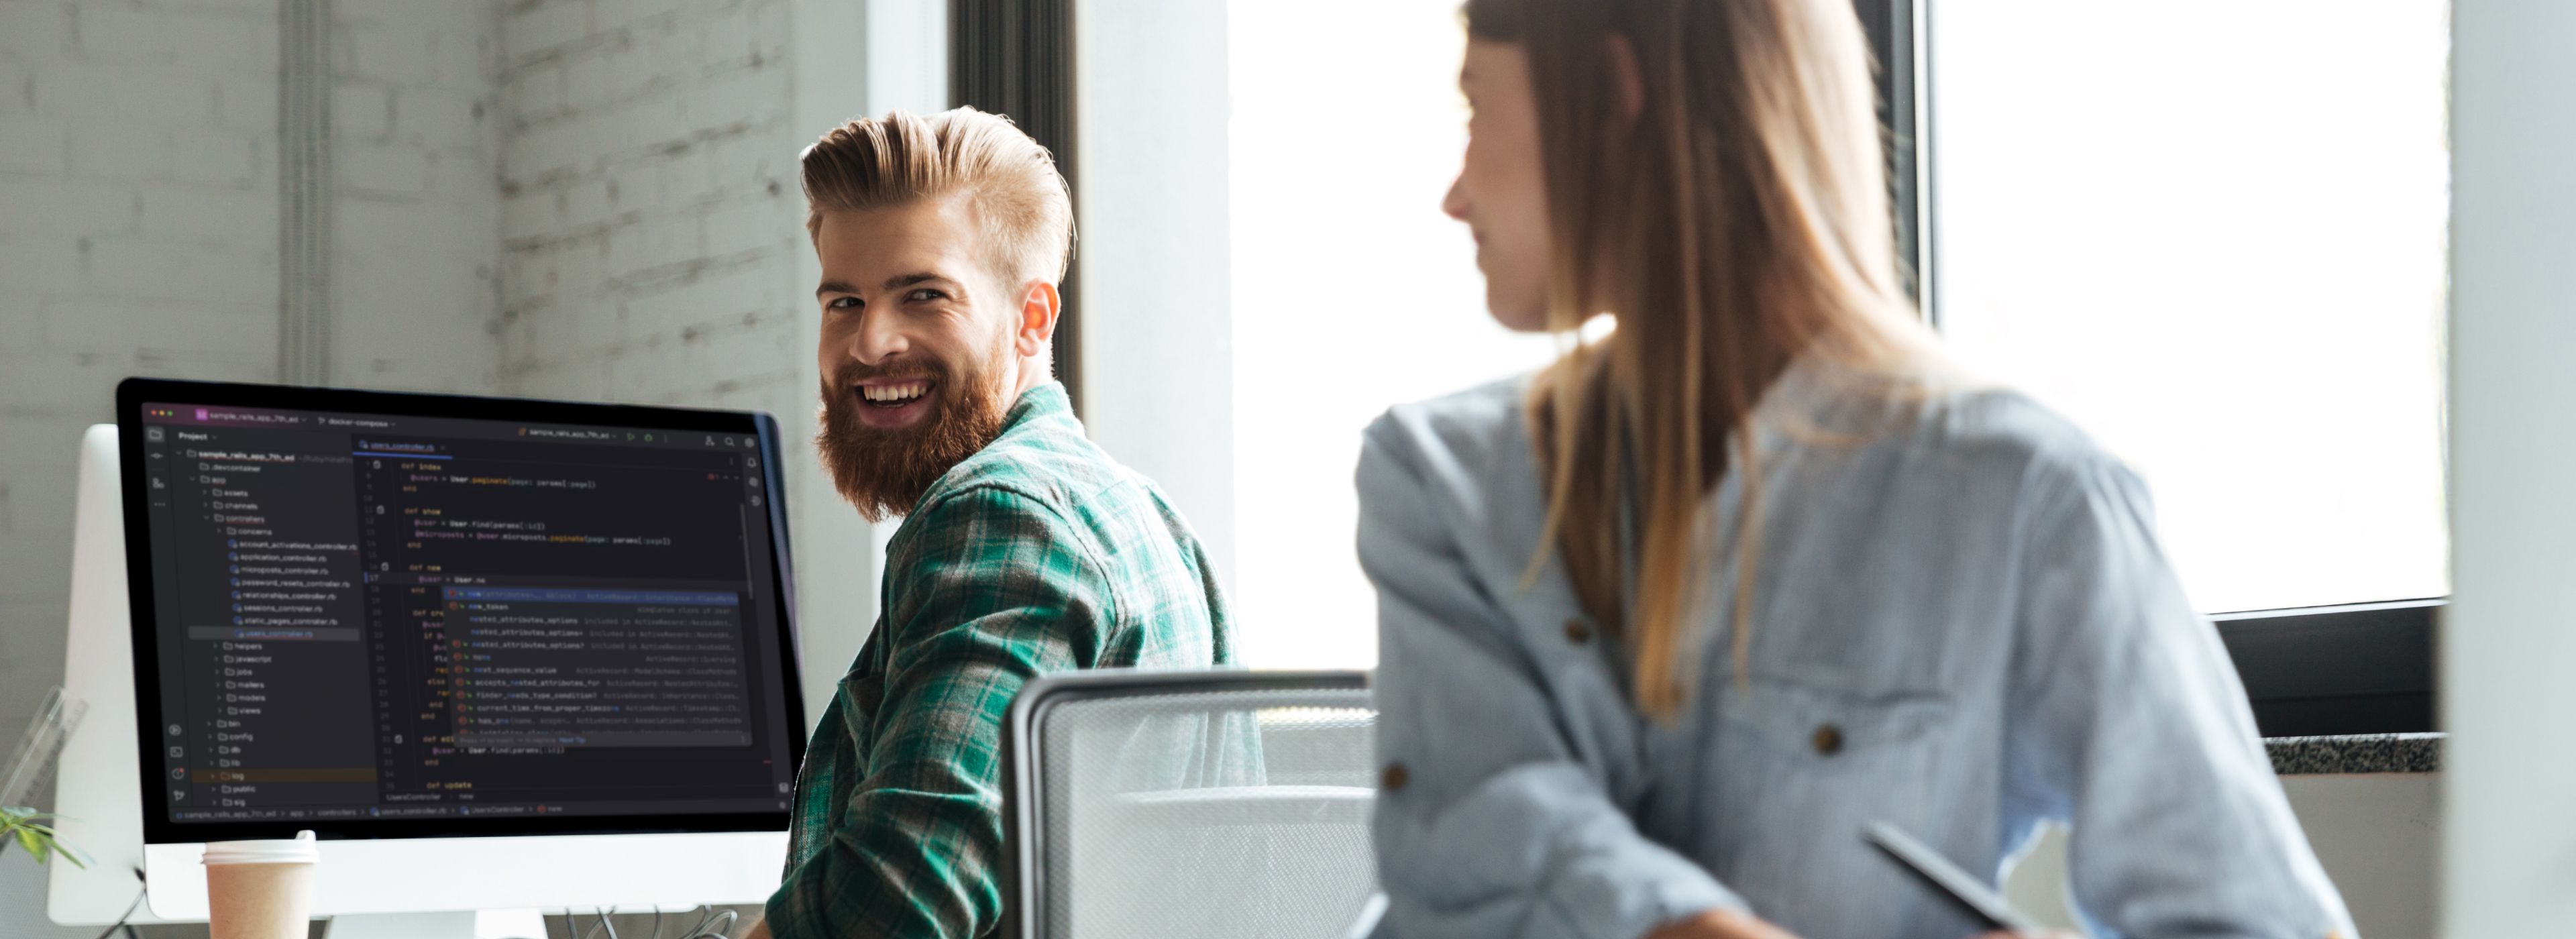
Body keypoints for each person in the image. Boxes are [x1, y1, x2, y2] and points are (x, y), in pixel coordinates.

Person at [1356, 1, 2356, 938]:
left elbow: (2254, 915)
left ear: (1616, 94)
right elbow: (1493, 837)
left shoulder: (2029, 498)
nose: (1453, 193)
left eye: (1474, 104)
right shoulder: (1441, 482)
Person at [751, 107, 1234, 939]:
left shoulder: (1003, 515)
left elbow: (903, 896)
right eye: (845, 302)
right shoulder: (1144, 514)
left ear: (1032, 318)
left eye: (924, 295)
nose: (871, 342)